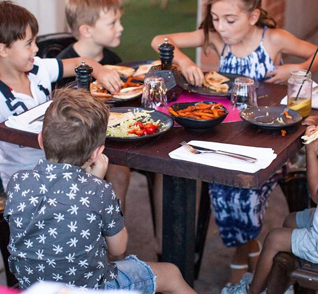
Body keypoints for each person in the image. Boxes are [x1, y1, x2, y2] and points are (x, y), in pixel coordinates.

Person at [151, 0, 318, 284]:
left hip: (271, 137)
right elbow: (159, 39)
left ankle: (241, 250)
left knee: (244, 189)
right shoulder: (218, 38)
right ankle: (247, 246)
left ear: (253, 16)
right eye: (216, 19)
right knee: (221, 182)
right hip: (232, 134)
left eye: (230, 20)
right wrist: (179, 58)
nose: (221, 27)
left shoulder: (273, 39)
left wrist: (295, 69)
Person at [4, 87, 197, 293]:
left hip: (35, 287)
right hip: (91, 287)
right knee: (172, 274)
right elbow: (118, 248)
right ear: (97, 153)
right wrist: (97, 183)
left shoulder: (18, 182)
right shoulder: (98, 191)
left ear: (41, 140)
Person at [221, 61, 318, 294]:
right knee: (292, 220)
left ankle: (252, 291)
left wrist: (311, 153)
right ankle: (282, 282)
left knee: (275, 238)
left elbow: (317, 195)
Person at [0, 0, 123, 193]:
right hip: (24, 183)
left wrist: (99, 71)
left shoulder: (39, 69)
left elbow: (82, 61)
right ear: (4, 50)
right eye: (28, 44)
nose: (36, 49)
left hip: (63, 168)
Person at [55, 0, 130, 212]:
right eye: (112, 23)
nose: (121, 27)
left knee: (125, 169)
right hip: (76, 144)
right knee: (118, 170)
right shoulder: (65, 64)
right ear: (86, 30)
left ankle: (115, 230)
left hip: (111, 137)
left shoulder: (112, 59)